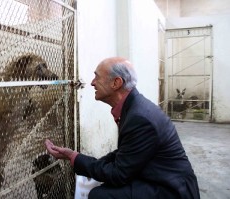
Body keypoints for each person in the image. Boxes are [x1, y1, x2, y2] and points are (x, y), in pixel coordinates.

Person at [45, 57, 200, 199]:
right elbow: (124, 153)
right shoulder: (134, 107)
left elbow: (118, 174)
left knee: (100, 195)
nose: (92, 83)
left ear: (116, 83)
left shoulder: (139, 117)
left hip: (172, 190)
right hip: (160, 178)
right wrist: (74, 156)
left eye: (97, 76)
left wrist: (75, 158)